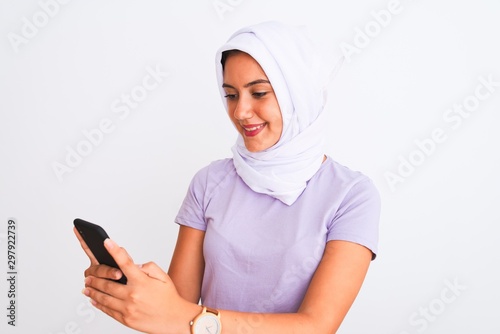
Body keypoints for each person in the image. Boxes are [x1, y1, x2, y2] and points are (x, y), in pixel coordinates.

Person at [75, 21, 381, 334]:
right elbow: (175, 311)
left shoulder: (351, 195)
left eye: (259, 93)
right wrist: (134, 292)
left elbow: (316, 326)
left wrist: (195, 321)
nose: (240, 112)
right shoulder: (209, 182)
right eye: (231, 95)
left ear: (298, 95)